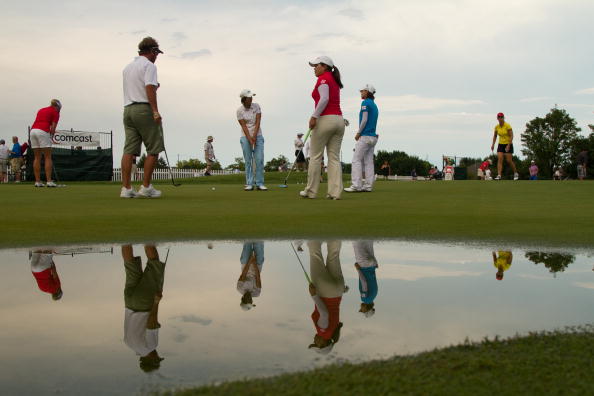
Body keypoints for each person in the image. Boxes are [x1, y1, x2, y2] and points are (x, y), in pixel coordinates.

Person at [120, 37, 165, 198]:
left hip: (128, 110)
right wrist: (155, 111)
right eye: (156, 53)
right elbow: (149, 88)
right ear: (152, 51)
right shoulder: (149, 66)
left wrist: (153, 88)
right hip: (144, 109)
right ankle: (146, 187)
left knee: (129, 150)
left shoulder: (127, 67)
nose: (157, 56)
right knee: (154, 148)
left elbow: (141, 87)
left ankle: (126, 189)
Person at [301, 56, 345, 200]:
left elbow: (324, 99)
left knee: (315, 156)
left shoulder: (323, 78)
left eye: (316, 65)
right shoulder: (334, 79)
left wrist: (314, 116)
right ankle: (335, 192)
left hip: (325, 120)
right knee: (334, 158)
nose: (314, 68)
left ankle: (311, 191)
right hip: (339, 121)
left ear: (324, 66)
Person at [122, 244, 166, 372]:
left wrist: (156, 302)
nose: (157, 355)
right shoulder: (129, 344)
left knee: (154, 264)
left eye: (156, 358)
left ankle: (147, 238)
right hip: (129, 302)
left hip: (145, 303)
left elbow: (151, 323)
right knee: (130, 265)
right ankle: (125, 236)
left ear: (152, 359)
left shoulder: (151, 346)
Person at [307, 240, 345, 353]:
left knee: (334, 254)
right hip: (325, 292)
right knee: (315, 254)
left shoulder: (334, 330)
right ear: (323, 344)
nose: (314, 340)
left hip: (338, 290)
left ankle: (336, 229)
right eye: (316, 344)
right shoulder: (323, 332)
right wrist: (314, 295)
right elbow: (324, 313)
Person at [345, 84, 379, 193]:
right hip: (373, 137)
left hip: (365, 136)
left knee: (356, 160)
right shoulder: (374, 104)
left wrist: (358, 133)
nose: (361, 93)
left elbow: (364, 120)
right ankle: (368, 186)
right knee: (369, 162)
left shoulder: (365, 103)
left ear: (367, 92)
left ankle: (356, 185)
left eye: (362, 91)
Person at [237, 89, 267, 191]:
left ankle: (259, 183)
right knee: (248, 160)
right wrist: (249, 138)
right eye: (249, 98)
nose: (251, 99)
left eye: (251, 97)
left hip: (258, 135)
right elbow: (244, 126)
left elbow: (258, 121)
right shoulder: (239, 111)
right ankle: (249, 183)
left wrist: (254, 136)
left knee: (259, 159)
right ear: (244, 99)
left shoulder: (256, 106)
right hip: (245, 137)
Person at [30, 99, 62, 187]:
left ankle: (38, 181)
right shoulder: (56, 112)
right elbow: (53, 127)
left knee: (37, 157)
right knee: (48, 156)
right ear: (58, 107)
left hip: (33, 131)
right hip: (43, 131)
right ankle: (49, 181)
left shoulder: (41, 109)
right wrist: (51, 137)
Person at [353, 241, 378, 318]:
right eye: (362, 310)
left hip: (373, 264)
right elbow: (364, 283)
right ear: (367, 309)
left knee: (368, 240)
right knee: (355, 242)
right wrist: (358, 269)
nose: (361, 308)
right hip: (364, 265)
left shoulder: (374, 296)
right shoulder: (365, 299)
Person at [490, 112, 519, 180]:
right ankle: (499, 175)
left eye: (501, 117)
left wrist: (508, 145)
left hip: (508, 143)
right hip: (500, 144)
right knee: (500, 159)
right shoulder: (496, 127)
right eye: (499, 117)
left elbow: (512, 136)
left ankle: (515, 173)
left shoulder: (507, 125)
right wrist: (493, 144)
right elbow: (495, 136)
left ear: (503, 118)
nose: (500, 118)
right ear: (497, 118)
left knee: (509, 160)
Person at [237, 242, 264, 311]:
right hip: (257, 266)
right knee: (258, 244)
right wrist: (254, 262)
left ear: (244, 299)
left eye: (249, 301)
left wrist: (250, 260)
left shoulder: (239, 288)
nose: (251, 300)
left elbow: (244, 273)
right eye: (251, 302)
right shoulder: (257, 293)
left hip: (246, 265)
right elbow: (258, 276)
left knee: (247, 242)